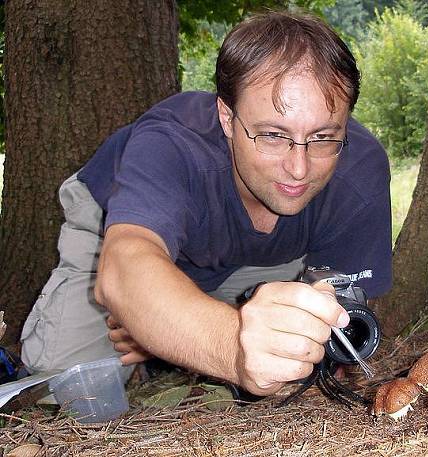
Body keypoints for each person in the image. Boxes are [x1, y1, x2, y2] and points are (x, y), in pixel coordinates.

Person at [20, 10, 392, 397]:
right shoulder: (173, 143)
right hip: (114, 223)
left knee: (293, 367)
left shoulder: (359, 167)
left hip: (257, 257)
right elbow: (125, 267)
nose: (298, 169)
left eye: (322, 137)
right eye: (271, 135)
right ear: (227, 117)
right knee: (64, 386)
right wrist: (232, 347)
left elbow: (347, 317)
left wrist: (163, 328)